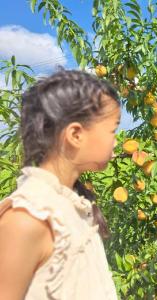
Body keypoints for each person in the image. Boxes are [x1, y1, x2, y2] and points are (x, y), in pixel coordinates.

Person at [0, 70, 120, 299]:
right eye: (112, 129)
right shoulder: (28, 219)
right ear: (75, 134)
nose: (116, 139)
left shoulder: (72, 206)